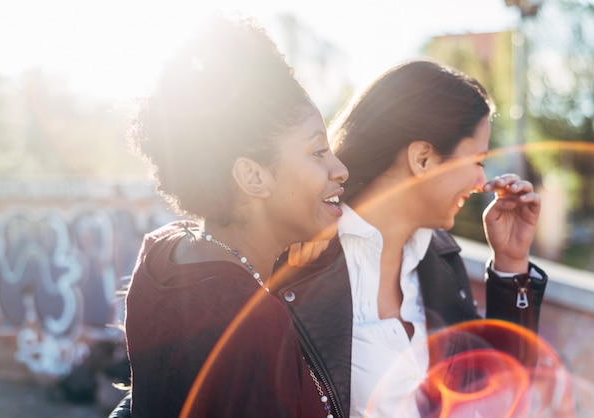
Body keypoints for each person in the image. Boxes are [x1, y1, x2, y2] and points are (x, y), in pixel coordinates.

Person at [270, 59, 548, 418]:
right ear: (424, 159)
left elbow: (498, 390)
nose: (483, 182)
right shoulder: (300, 261)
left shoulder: (441, 262)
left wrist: (511, 264)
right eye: (477, 159)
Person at [118, 15, 349, 418]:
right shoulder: (252, 324)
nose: (340, 169)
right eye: (317, 152)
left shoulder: (162, 253)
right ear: (253, 176)